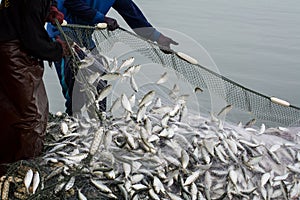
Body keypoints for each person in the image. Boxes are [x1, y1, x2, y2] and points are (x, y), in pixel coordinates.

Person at [46, 0, 178, 116]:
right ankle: (71, 119)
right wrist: (101, 18)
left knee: (102, 83)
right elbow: (70, 2)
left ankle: (99, 122)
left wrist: (158, 37)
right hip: (63, 35)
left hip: (85, 37)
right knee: (74, 87)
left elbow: (132, 14)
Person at [0, 0, 67, 175]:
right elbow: (33, 41)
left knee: (9, 110)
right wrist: (58, 49)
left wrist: (48, 10)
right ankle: (23, 170)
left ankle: (5, 163)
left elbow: (18, 13)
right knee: (33, 116)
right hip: (13, 54)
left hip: (6, 47)